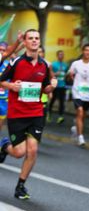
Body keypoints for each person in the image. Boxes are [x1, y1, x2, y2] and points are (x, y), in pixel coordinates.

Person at [0, 29, 57, 199]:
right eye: (30, 38)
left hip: (36, 113)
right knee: (19, 153)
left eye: (36, 38)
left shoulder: (44, 65)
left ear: (39, 42)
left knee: (32, 150)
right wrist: (11, 86)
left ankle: (20, 185)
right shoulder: (16, 62)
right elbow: (1, 79)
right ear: (24, 42)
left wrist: (52, 86)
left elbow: (45, 87)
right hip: (17, 113)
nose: (34, 41)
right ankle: (4, 146)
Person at [68, 44, 89, 146]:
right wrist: (76, 83)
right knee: (80, 111)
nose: (87, 52)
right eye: (86, 50)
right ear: (83, 51)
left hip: (87, 93)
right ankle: (80, 137)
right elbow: (70, 75)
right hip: (77, 92)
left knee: (82, 115)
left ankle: (76, 127)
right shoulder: (75, 64)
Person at [49, 50, 68, 124]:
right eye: (60, 54)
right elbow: (50, 74)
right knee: (53, 100)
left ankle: (60, 116)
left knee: (61, 102)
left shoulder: (65, 65)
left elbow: (65, 74)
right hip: (55, 85)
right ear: (57, 55)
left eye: (62, 55)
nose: (61, 56)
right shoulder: (53, 64)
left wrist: (67, 75)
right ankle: (49, 113)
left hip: (62, 85)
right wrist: (56, 74)